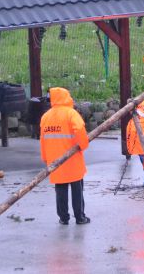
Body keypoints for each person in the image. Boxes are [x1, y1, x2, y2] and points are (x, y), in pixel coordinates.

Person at [40, 87, 90, 225]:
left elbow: (42, 139)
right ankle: (80, 217)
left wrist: (45, 158)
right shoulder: (71, 113)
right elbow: (79, 129)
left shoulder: (46, 116)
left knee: (60, 190)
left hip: (55, 160)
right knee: (77, 189)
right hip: (72, 159)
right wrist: (83, 145)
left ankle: (63, 218)